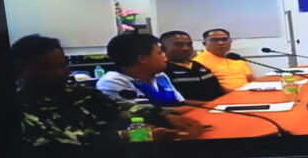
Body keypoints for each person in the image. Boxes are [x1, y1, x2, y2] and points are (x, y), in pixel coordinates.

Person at [12, 34, 183, 146]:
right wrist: (136, 136)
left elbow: (117, 106)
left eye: (62, 65)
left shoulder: (74, 91)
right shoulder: (21, 103)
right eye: (47, 68)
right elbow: (56, 143)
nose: (59, 73)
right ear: (20, 70)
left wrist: (163, 115)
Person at [97, 33, 186, 107]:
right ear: (143, 58)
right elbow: (149, 113)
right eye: (160, 53)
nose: (165, 58)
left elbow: (179, 102)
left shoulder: (160, 76)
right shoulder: (113, 82)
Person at [160, 30, 225, 102]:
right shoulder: (163, 71)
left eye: (189, 44)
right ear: (163, 49)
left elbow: (217, 90)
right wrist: (209, 105)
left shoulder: (199, 66)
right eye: (179, 45)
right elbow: (173, 101)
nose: (186, 48)